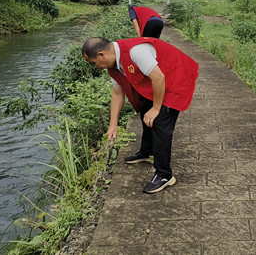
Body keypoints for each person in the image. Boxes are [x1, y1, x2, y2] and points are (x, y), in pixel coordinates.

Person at [82, 36, 198, 193]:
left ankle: (164, 175)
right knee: (145, 110)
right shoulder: (114, 66)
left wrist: (157, 108)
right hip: (157, 81)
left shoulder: (135, 52)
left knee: (160, 122)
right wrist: (113, 124)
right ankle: (147, 151)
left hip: (174, 76)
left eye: (93, 63)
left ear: (102, 54)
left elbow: (159, 77)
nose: (96, 66)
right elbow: (117, 93)